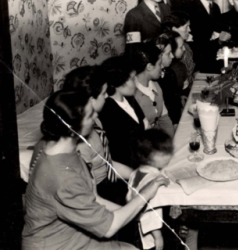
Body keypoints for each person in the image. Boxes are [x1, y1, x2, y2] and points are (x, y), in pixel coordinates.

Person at [22, 90, 169, 250]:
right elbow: (110, 227)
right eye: (90, 115)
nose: (95, 118)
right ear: (73, 129)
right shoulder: (63, 176)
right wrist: (146, 193)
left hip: (73, 236)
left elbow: (92, 198)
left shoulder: (58, 148)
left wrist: (133, 211)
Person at [62, 66, 133, 203]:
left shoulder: (95, 121)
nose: (107, 96)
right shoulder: (80, 143)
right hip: (98, 194)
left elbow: (105, 163)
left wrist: (136, 174)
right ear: (91, 99)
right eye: (104, 93)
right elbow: (92, 198)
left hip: (108, 184)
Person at [127, 129, 199, 250]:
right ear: (147, 156)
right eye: (162, 154)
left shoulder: (137, 172)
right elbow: (147, 212)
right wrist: (157, 236)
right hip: (151, 234)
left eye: (168, 151)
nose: (168, 156)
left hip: (138, 226)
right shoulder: (152, 181)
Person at [100, 56, 149, 169]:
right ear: (118, 82)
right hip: (131, 170)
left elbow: (145, 125)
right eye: (132, 79)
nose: (136, 82)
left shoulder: (129, 98)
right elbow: (121, 153)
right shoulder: (108, 111)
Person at [128, 42, 175, 138]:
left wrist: (171, 142)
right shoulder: (134, 97)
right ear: (149, 67)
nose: (162, 67)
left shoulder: (156, 86)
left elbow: (165, 119)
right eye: (159, 64)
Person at [188, 0, 226, 73]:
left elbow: (217, 32)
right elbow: (197, 40)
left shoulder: (216, 7)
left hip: (215, 58)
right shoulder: (190, 7)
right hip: (198, 61)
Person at [150, 32, 184, 126]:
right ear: (159, 56)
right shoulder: (152, 80)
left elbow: (175, 103)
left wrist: (176, 123)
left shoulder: (170, 74)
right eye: (169, 53)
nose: (172, 56)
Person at [162, 11, 195, 84]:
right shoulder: (168, 49)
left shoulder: (186, 46)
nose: (189, 30)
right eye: (186, 27)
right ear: (174, 29)